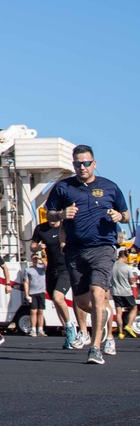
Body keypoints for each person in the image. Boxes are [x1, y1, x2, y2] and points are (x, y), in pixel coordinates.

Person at [45, 144, 128, 366]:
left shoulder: (110, 187)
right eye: (78, 164)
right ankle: (105, 318)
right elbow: (50, 214)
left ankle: (96, 347)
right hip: (75, 250)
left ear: (94, 164)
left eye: (86, 163)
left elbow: (127, 215)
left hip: (103, 247)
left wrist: (119, 216)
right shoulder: (63, 187)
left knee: (98, 293)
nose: (82, 167)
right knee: (83, 302)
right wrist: (62, 213)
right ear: (73, 165)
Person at [34, 218, 77, 348]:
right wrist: (37, 247)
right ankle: (68, 333)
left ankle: (70, 325)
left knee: (58, 298)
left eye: (55, 219)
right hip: (51, 270)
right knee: (55, 301)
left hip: (65, 268)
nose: (52, 222)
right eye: (50, 219)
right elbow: (32, 246)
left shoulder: (65, 227)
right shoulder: (41, 228)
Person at [111, 252, 137, 339]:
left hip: (115, 292)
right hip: (126, 292)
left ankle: (120, 332)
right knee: (134, 308)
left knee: (119, 312)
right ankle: (128, 326)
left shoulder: (112, 266)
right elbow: (131, 281)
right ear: (125, 257)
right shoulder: (127, 267)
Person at [25, 247, 48, 337]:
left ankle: (40, 329)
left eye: (36, 258)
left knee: (41, 311)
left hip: (41, 292)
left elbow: (47, 266)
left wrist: (40, 258)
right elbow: (26, 282)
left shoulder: (42, 268)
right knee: (33, 311)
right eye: (33, 259)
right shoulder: (28, 270)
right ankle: (33, 329)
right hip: (32, 292)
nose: (35, 260)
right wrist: (27, 294)